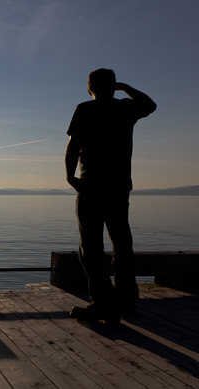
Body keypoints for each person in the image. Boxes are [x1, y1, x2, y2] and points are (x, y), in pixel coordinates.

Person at [65, 68, 156, 324]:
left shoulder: (85, 109)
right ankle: (127, 302)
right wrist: (125, 87)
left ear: (89, 86)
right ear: (112, 85)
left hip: (92, 185)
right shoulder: (126, 108)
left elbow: (74, 145)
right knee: (122, 244)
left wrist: (70, 176)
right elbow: (150, 105)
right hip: (119, 187)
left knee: (91, 247)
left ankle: (103, 304)